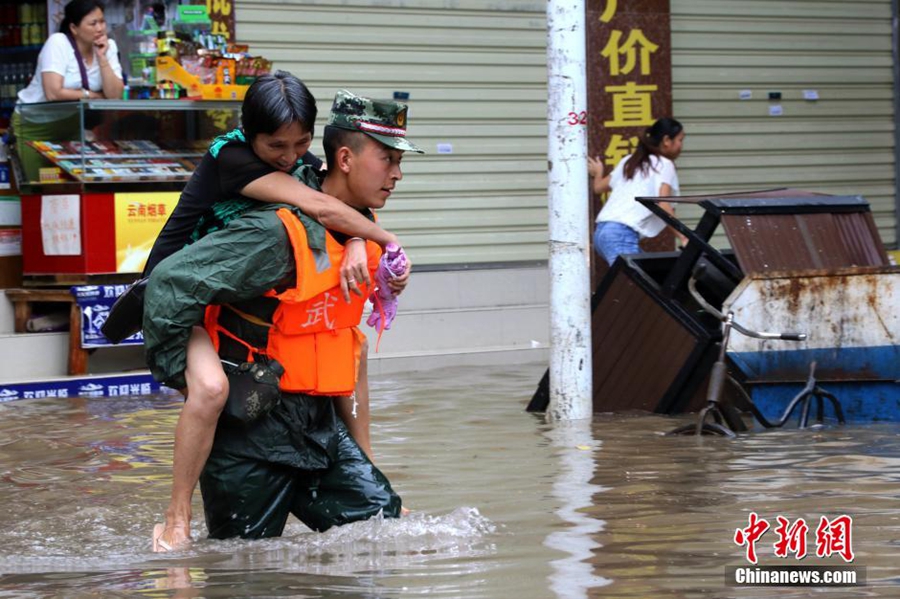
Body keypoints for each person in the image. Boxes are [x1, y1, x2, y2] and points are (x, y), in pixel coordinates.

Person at [143, 88, 421, 546]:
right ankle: (176, 518)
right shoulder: (243, 181)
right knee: (210, 392)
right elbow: (170, 284)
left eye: (299, 144)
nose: (289, 158)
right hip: (248, 426)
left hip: (316, 427)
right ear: (347, 159)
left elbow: (334, 210)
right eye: (387, 159)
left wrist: (360, 240)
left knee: (387, 537)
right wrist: (176, 363)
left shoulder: (311, 179)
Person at [13, 0, 124, 182]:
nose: (100, 28)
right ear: (74, 27)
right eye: (93, 23)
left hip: (71, 124)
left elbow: (115, 95)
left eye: (102, 22)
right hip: (35, 125)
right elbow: (53, 92)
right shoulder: (58, 43)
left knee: (73, 184)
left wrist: (102, 58)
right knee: (38, 185)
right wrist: (93, 96)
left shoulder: (108, 46)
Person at [588, 117, 687, 266]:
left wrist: (598, 172)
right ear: (667, 140)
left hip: (602, 234)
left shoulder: (630, 161)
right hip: (621, 234)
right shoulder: (665, 164)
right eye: (680, 140)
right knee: (634, 285)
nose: (681, 145)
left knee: (649, 279)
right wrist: (684, 237)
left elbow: (599, 187)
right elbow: (663, 205)